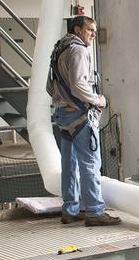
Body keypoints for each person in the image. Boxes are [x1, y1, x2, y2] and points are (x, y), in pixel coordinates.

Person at [47, 14, 120, 226]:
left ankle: (70, 210)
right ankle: (95, 212)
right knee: (90, 164)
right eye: (90, 30)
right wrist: (97, 99)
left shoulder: (58, 50)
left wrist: (63, 100)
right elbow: (79, 85)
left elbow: (49, 87)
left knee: (69, 164)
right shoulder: (78, 50)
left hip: (62, 115)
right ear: (77, 30)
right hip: (79, 116)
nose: (93, 35)